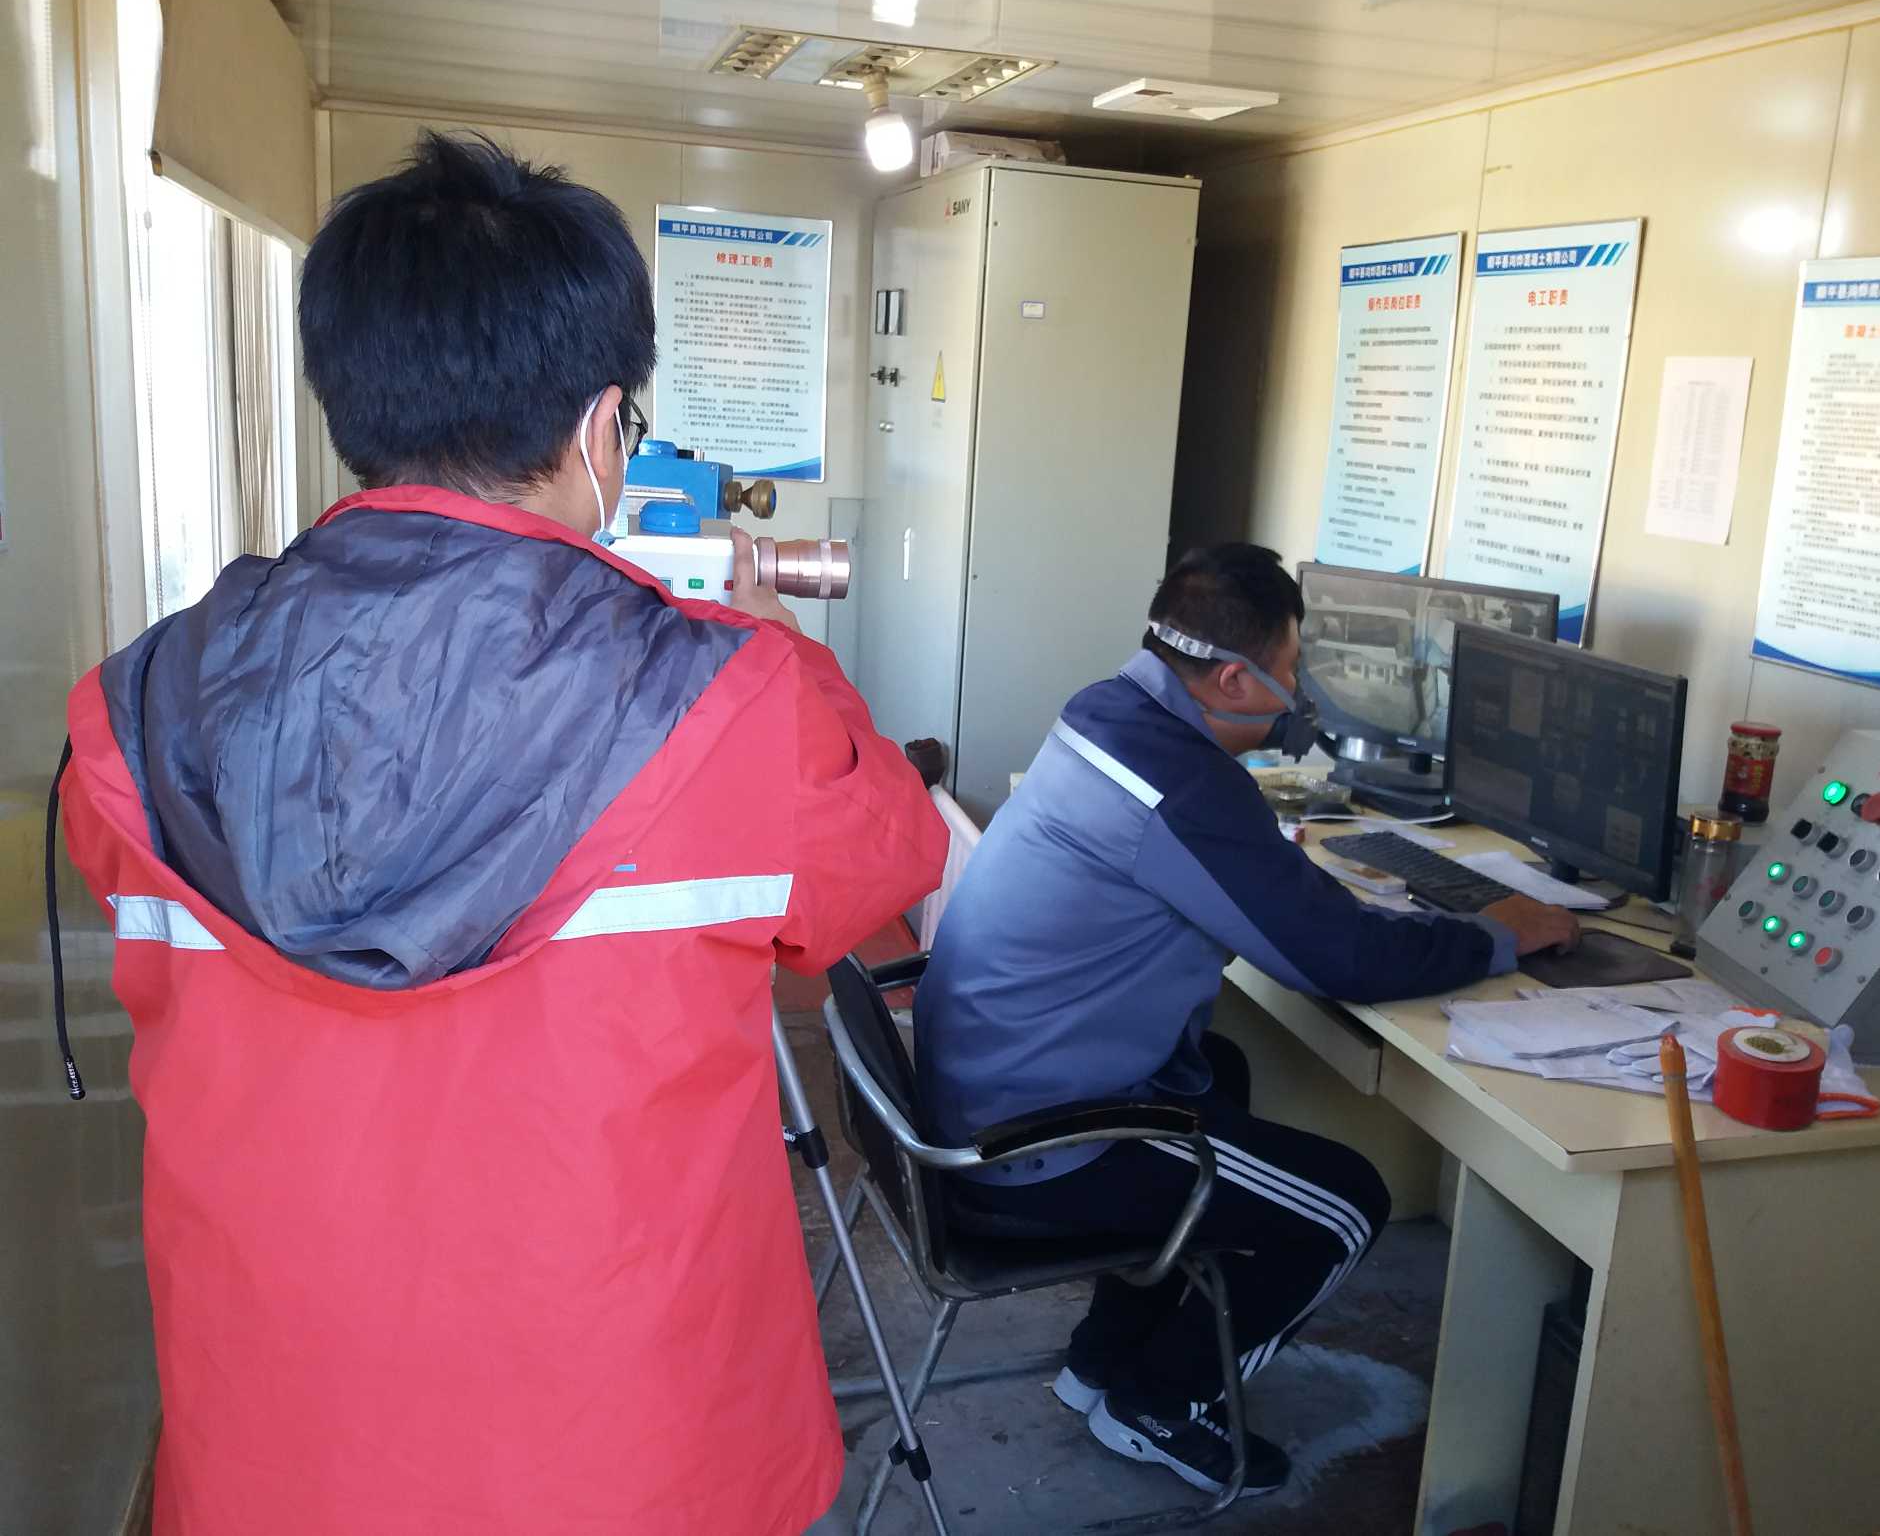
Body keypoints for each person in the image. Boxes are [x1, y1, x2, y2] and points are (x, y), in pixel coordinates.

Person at [55, 133, 944, 1536]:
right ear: (603, 427)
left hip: (279, 1452)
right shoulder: (730, 699)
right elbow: (894, 859)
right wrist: (778, 645)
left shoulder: (136, 711)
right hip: (631, 1464)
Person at [914, 543, 1578, 1497]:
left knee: (1220, 1072)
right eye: (1292, 668)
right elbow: (1337, 959)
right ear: (1233, 678)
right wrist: (1498, 935)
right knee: (1346, 1206)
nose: (1296, 692)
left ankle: (1105, 1359)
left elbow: (1259, 896)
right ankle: (1161, 1401)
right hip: (1032, 1143)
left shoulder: (1106, 712)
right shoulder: (1187, 787)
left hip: (976, 1094)